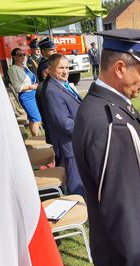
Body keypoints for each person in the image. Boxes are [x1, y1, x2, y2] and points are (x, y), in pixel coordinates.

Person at [72, 29, 140, 266]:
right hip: (127, 256)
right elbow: (123, 207)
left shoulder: (105, 104)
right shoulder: (110, 123)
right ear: (119, 68)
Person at [37, 54, 85, 196]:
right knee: (75, 182)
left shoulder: (60, 84)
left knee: (78, 178)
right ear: (50, 69)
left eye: (67, 67)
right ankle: (78, 209)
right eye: (61, 68)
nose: (65, 71)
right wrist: (86, 128)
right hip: (69, 144)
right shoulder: (51, 91)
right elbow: (64, 123)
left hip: (73, 140)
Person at [7, 48, 41, 136]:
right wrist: (31, 86)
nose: (22, 56)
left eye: (23, 54)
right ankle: (38, 138)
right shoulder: (13, 69)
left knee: (32, 118)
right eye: (19, 55)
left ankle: (35, 139)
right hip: (26, 97)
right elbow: (17, 88)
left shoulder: (24, 67)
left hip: (34, 94)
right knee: (37, 119)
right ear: (14, 57)